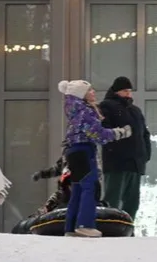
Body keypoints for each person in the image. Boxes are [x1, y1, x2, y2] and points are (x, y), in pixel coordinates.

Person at [59, 79, 132, 237]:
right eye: (90, 90)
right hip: (84, 150)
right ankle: (85, 224)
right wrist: (119, 132)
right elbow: (97, 134)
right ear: (82, 94)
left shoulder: (75, 110)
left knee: (78, 188)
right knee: (90, 187)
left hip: (73, 151)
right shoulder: (85, 111)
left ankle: (71, 227)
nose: (93, 92)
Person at [98, 76, 151, 220]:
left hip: (135, 162)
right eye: (124, 90)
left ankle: (127, 227)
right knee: (113, 198)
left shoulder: (135, 110)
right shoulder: (106, 107)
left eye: (129, 90)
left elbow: (144, 133)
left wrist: (145, 154)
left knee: (132, 202)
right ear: (116, 91)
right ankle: (109, 226)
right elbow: (104, 131)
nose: (128, 93)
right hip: (117, 162)